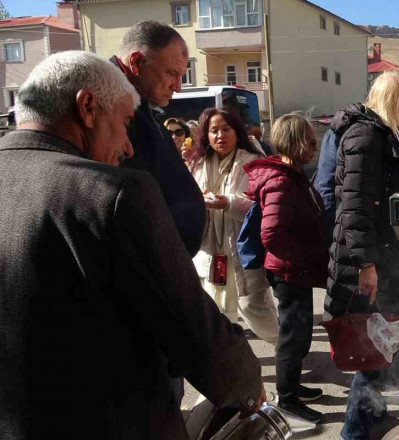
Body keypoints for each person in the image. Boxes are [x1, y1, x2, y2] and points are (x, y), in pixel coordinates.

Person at [0, 51, 264, 440]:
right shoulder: (116, 193)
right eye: (125, 122)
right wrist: (244, 382)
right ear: (88, 107)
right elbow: (191, 326)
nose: (126, 146)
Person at [326, 71, 399, 440]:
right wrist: (365, 265)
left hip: (391, 256)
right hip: (374, 261)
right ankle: (353, 432)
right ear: (396, 99)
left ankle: (384, 410)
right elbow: (355, 207)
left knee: (397, 333)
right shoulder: (366, 134)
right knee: (371, 348)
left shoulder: (388, 135)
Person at [244, 113, 329, 423]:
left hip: (296, 270)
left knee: (301, 331)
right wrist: (299, 260)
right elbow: (271, 234)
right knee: (293, 335)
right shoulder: (281, 180)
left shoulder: (293, 175)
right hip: (289, 272)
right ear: (293, 142)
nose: (315, 147)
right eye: (309, 141)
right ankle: (287, 398)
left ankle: (291, 385)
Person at [111, 20, 205, 257]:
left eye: (182, 75)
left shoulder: (139, 106)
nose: (178, 87)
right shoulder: (109, 108)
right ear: (136, 62)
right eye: (172, 73)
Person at [190, 108, 279, 344]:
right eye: (214, 131)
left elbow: (260, 205)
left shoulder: (251, 163)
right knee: (217, 307)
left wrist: (227, 202)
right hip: (211, 248)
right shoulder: (198, 163)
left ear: (237, 132)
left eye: (226, 129)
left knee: (255, 306)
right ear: (206, 136)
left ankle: (284, 349)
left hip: (242, 247)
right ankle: (232, 358)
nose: (220, 135)